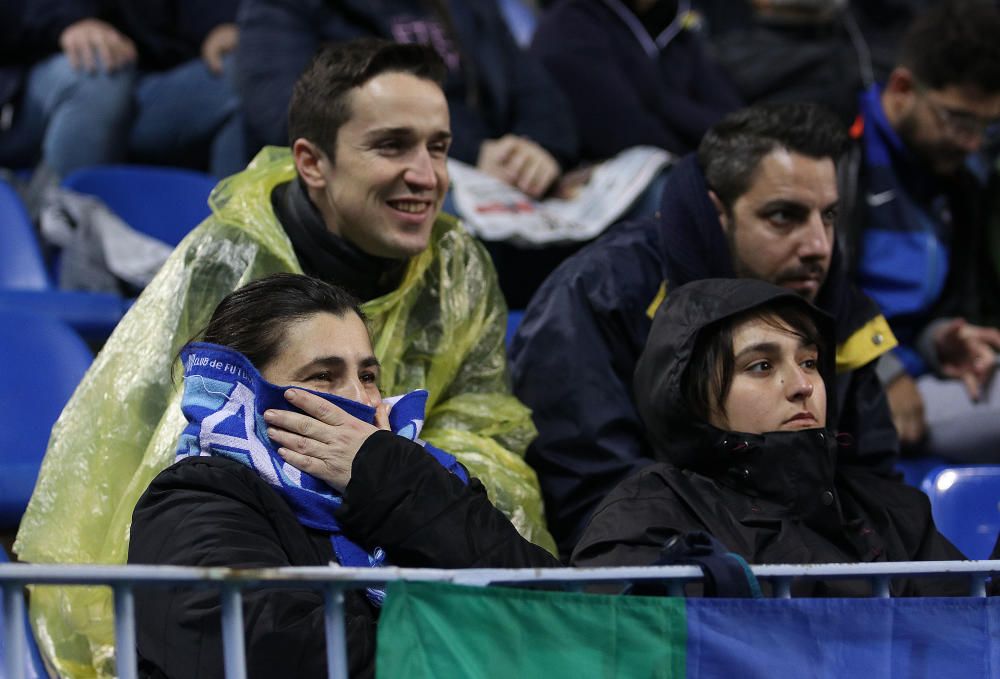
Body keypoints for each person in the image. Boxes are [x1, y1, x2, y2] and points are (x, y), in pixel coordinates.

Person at [15, 38, 552, 678]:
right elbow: (144, 444)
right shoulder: (222, 270)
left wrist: (390, 473)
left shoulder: (459, 263)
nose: (428, 174)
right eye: (392, 145)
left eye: (438, 146)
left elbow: (547, 606)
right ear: (312, 162)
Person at [511, 103, 898, 558]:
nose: (818, 246)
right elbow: (595, 497)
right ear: (718, 212)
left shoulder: (836, 307)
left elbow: (874, 494)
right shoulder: (599, 295)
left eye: (829, 217)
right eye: (784, 217)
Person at [129, 274, 559, 679]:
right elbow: (274, 654)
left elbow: (559, 615)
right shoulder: (193, 501)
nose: (358, 397)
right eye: (324, 376)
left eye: (367, 376)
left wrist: (393, 478)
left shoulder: (423, 478)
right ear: (248, 391)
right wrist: (488, 652)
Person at [573, 278, 967, 597]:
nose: (802, 385)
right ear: (690, 398)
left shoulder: (897, 515)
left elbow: (977, 641)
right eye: (761, 366)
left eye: (809, 362)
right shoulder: (646, 521)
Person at [841, 0, 1000, 461]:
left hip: (922, 374)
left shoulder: (956, 175)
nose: (972, 142)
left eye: (987, 127)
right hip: (847, 382)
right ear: (903, 86)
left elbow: (920, 307)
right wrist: (882, 370)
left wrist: (941, 338)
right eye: (959, 120)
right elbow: (797, 293)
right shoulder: (835, 152)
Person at [236, 0, 578, 200]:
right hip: (389, 179)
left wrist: (537, 150)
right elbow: (286, 111)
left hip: (501, 179)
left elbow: (538, 92)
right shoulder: (293, 7)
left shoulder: (467, 5)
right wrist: (467, 154)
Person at [0, 0, 245, 178]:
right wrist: (68, 21)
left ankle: (227, 241)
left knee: (243, 74)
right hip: (28, 96)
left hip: (140, 88)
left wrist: (219, 24)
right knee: (98, 72)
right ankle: (66, 233)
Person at [530, 0, 742, 161]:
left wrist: (659, 100)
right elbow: (632, 139)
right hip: (624, 184)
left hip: (703, 159)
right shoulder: (568, 28)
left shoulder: (674, 19)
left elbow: (732, 121)